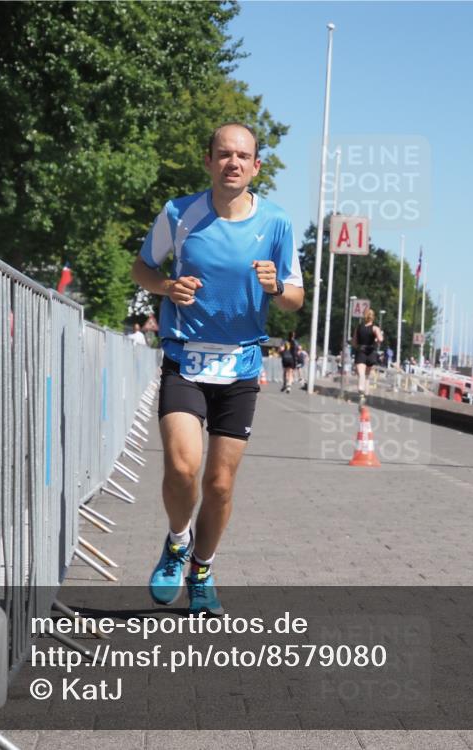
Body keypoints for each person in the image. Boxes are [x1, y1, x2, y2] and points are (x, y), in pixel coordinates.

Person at [131, 123, 304, 613]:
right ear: (208, 160)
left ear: (256, 166)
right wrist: (166, 288)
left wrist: (275, 287)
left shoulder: (276, 223)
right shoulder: (178, 212)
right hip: (185, 356)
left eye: (243, 155)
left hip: (241, 366)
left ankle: (202, 568)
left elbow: (295, 298)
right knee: (183, 467)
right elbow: (141, 268)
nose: (233, 162)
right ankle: (177, 541)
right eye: (224, 154)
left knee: (220, 484)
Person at [352, 308, 383, 402]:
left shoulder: (358, 327)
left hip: (361, 351)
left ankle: (361, 390)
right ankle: (366, 394)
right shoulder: (375, 328)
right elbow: (380, 339)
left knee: (361, 373)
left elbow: (354, 342)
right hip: (371, 352)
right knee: (367, 375)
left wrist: (358, 347)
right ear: (373, 317)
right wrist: (376, 340)